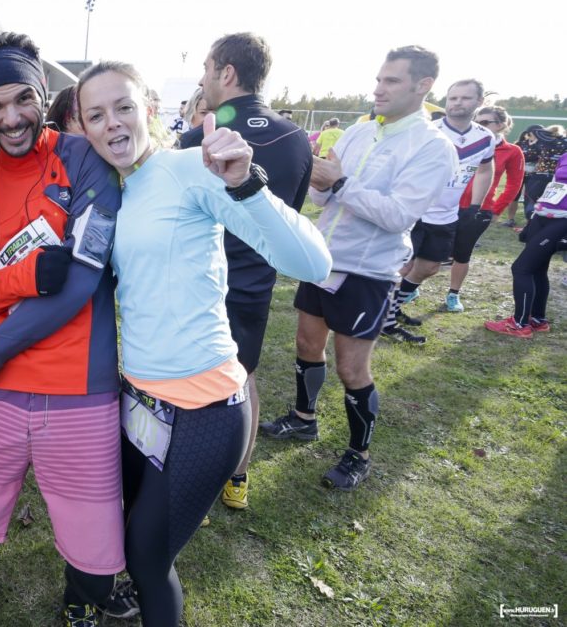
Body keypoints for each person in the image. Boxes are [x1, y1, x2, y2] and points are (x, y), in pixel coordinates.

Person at [77, 60, 329, 626]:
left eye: (123, 107)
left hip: (204, 410)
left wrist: (245, 184)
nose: (112, 123)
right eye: (97, 114)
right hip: (138, 402)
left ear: (148, 110)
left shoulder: (193, 167)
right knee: (125, 538)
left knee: (146, 560)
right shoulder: (116, 190)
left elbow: (312, 262)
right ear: (85, 127)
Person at [0, 32, 123, 627]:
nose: (9, 118)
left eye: (22, 100)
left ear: (43, 92)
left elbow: (83, 280)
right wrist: (26, 274)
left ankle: (78, 599)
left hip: (79, 389)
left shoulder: (84, 157)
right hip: (0, 393)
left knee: (96, 572)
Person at [260, 46, 457, 489]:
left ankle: (358, 453)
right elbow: (323, 199)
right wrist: (323, 184)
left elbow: (399, 216)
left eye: (391, 81)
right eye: (379, 79)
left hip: (369, 271)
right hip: (324, 259)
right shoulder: (359, 132)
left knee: (353, 368)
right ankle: (303, 417)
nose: (378, 88)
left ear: (422, 86)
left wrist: (342, 184)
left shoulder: (431, 146)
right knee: (307, 343)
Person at [178, 32, 313, 511]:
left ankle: (194, 476)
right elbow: (288, 220)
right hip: (255, 286)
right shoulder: (296, 138)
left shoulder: (200, 137)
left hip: (200, 285)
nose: (201, 78)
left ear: (226, 72)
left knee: (192, 387)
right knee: (242, 380)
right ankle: (237, 477)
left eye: (206, 67)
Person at [382, 79, 495, 342]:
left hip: (446, 215)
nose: (457, 103)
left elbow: (485, 168)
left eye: (465, 98)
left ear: (479, 102)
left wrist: (475, 204)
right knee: (402, 266)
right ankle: (385, 322)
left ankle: (392, 308)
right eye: (453, 98)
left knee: (429, 268)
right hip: (415, 212)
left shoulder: (485, 138)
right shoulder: (429, 131)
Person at [447, 106, 525, 309]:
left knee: (462, 253)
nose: (478, 125)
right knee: (430, 250)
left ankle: (453, 295)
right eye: (476, 120)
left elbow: (514, 184)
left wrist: (496, 210)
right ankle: (413, 286)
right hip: (445, 204)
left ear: (500, 125)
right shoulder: (458, 141)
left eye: (485, 122)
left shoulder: (512, 151)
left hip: (478, 209)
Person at [484, 152, 567, 337]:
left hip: (562, 221)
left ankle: (519, 324)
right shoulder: (564, 155)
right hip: (544, 214)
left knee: (521, 268)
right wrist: (535, 216)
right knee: (537, 269)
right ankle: (538, 319)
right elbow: (556, 185)